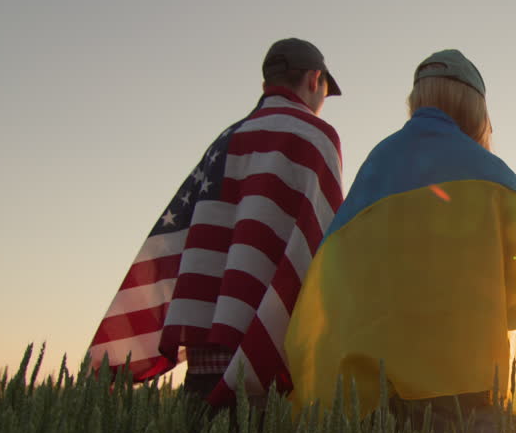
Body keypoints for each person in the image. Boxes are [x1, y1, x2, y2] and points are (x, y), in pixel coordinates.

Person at [284, 49, 516, 433]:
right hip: (473, 403)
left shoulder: (376, 166)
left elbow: (335, 286)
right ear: (475, 108)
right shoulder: (495, 176)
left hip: (378, 409)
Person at [88, 37, 345, 407]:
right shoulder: (315, 137)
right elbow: (324, 243)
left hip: (204, 361)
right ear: (314, 79)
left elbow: (185, 239)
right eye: (324, 89)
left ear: (265, 85)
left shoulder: (225, 140)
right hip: (268, 362)